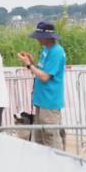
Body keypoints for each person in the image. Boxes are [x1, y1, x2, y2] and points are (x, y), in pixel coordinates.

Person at [18, 20, 67, 150]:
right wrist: (31, 62)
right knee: (39, 135)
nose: (37, 39)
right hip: (41, 99)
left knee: (51, 135)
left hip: (50, 101)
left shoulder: (56, 51)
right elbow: (41, 70)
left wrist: (29, 65)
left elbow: (45, 77)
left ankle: (59, 162)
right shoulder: (46, 49)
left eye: (39, 36)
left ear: (47, 37)